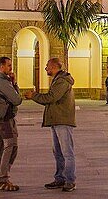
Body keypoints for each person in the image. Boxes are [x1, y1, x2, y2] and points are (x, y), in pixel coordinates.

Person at [31, 57, 77, 191]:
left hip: (63, 120)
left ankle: (70, 181)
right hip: (56, 120)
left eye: (47, 66)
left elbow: (51, 97)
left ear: (54, 67)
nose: (46, 69)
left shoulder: (62, 81)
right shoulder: (57, 80)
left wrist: (34, 96)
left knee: (67, 152)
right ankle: (60, 178)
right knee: (58, 152)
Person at [0, 56, 23, 191]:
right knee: (11, 146)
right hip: (4, 118)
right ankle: (3, 178)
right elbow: (17, 99)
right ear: (1, 66)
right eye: (8, 65)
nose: (11, 68)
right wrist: (15, 84)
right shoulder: (1, 81)